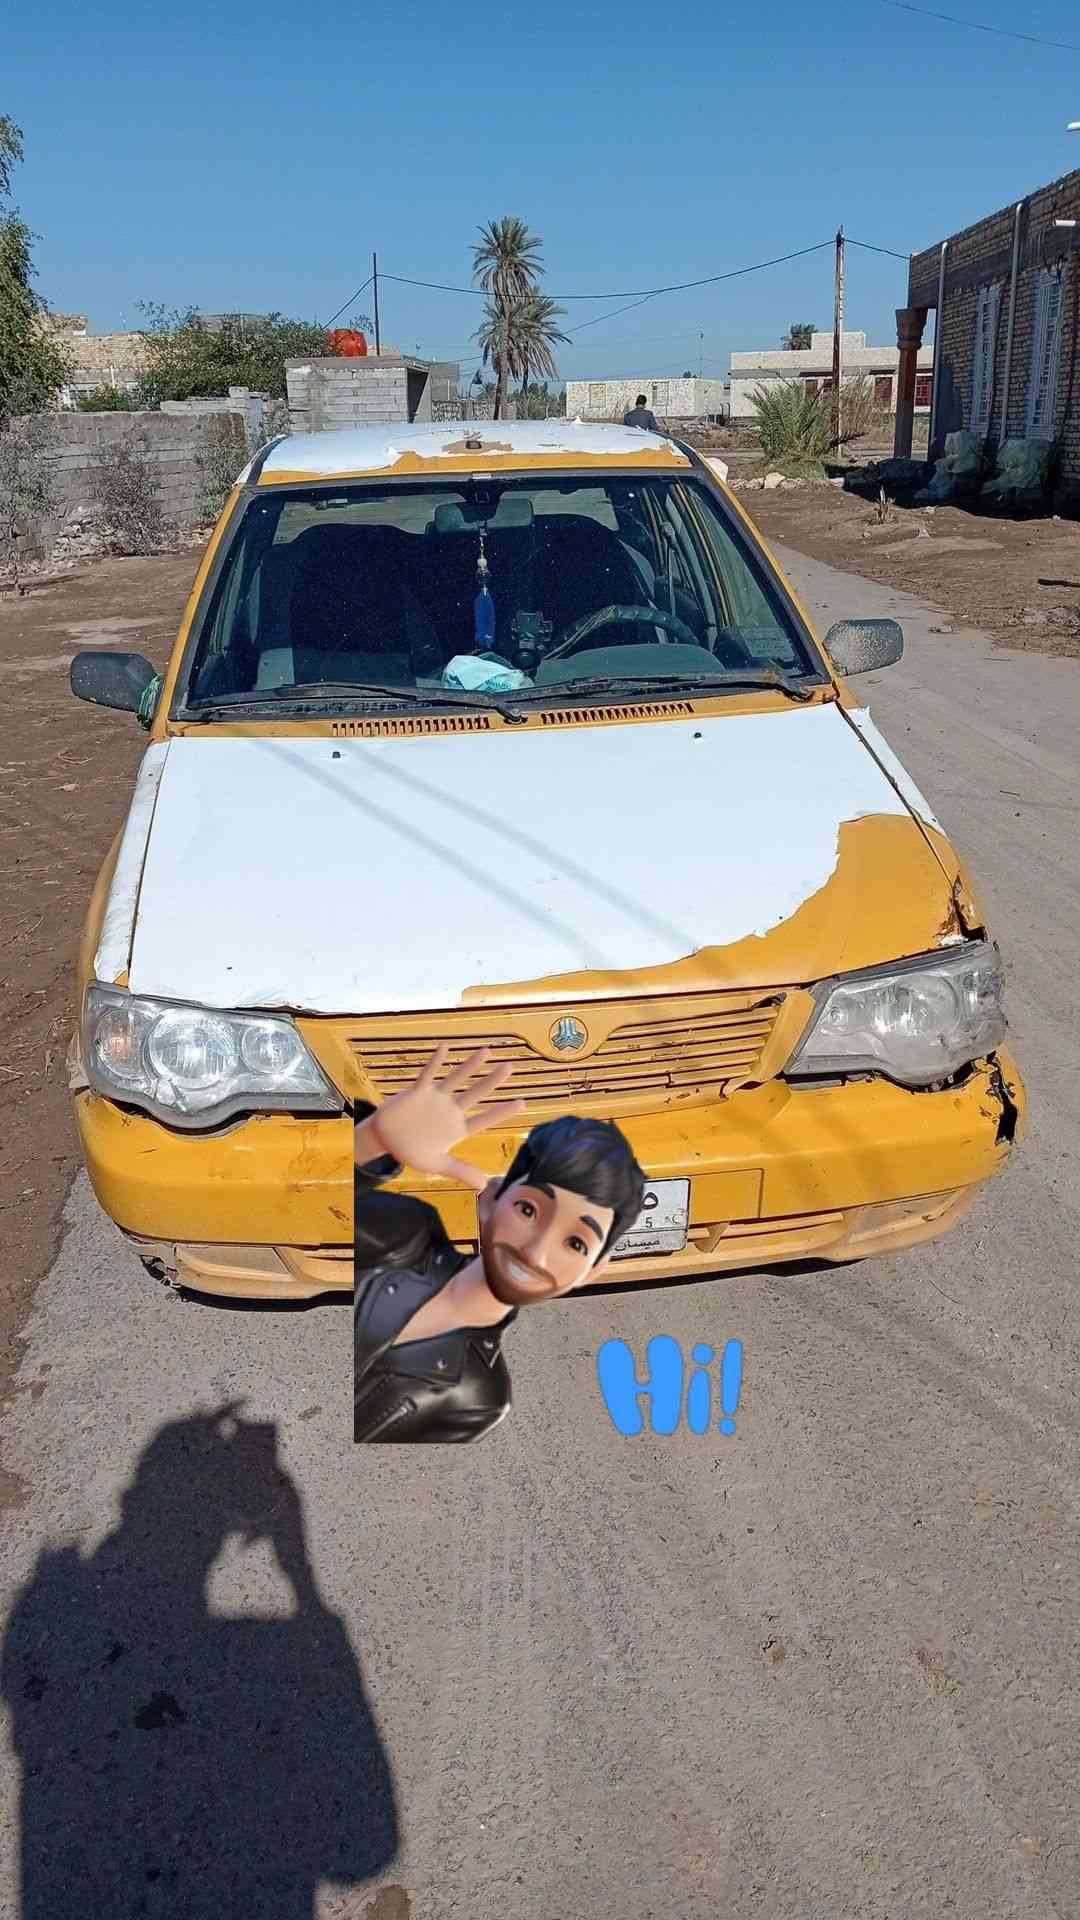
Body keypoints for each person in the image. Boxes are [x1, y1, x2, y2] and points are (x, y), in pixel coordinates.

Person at [354, 1045, 646, 1443]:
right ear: (490, 1201)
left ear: (593, 1271)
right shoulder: (402, 1231)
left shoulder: (478, 1401)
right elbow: (317, 1213)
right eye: (528, 1210)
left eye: (576, 1243)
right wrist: (370, 1141)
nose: (535, 1253)